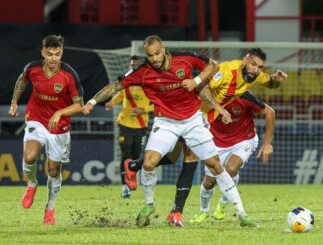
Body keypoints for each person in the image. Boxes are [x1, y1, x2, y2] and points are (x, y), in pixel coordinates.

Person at [82, 35, 255, 228]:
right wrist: (91, 101)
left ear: (163, 49)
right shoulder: (142, 72)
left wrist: (196, 80)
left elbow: (213, 65)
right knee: (149, 163)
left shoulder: (184, 59)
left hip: (193, 120)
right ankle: (149, 205)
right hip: (165, 122)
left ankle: (242, 214)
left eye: (157, 53)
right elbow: (115, 86)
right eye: (150, 55)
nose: (155, 59)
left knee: (214, 165)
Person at [124, 47, 287, 227]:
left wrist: (277, 80)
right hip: (189, 112)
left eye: (260, 67)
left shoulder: (255, 75)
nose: (256, 69)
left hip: (200, 118)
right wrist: (215, 104)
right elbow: (203, 86)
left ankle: (134, 166)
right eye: (253, 64)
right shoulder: (226, 71)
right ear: (245, 59)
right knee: (189, 157)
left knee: (172, 158)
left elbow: (270, 83)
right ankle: (176, 212)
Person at [8, 35, 84, 225]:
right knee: (29, 157)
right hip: (37, 119)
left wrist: (59, 113)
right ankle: (32, 184)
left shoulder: (69, 74)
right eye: (49, 54)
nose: (53, 59)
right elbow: (21, 80)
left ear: (61, 53)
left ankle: (50, 209)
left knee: (53, 170)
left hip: (59, 126)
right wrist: (14, 101)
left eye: (57, 54)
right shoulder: (32, 68)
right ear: (43, 53)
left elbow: (79, 105)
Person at [190, 91, 275, 226]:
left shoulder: (244, 95)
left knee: (231, 168)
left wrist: (267, 143)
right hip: (216, 143)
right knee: (209, 182)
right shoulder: (207, 98)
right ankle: (203, 210)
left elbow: (270, 112)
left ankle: (223, 203)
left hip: (244, 140)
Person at [104, 55, 153, 198]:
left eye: (136, 65)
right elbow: (120, 95)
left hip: (141, 124)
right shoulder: (127, 82)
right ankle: (124, 187)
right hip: (125, 123)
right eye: (131, 65)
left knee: (136, 156)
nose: (133, 67)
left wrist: (143, 110)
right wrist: (111, 103)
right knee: (126, 155)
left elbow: (156, 104)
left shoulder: (148, 83)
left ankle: (133, 180)